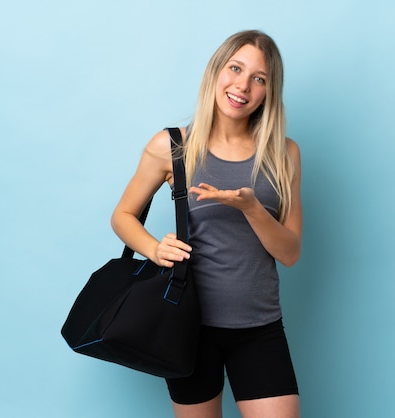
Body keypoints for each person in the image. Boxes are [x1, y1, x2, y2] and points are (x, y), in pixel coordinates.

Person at [111, 30, 302, 418]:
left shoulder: (285, 153)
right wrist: (154, 248)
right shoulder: (172, 146)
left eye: (259, 78)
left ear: (268, 91)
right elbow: (123, 216)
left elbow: (291, 253)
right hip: (188, 327)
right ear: (216, 71)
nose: (243, 85)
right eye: (235, 68)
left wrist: (251, 209)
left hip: (260, 328)